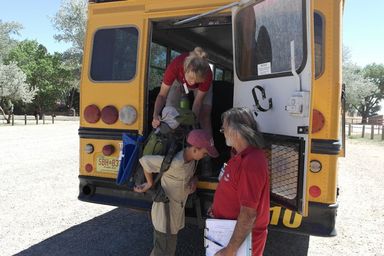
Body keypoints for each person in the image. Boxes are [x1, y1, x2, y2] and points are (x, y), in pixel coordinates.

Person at [134, 129, 219, 256]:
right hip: (165, 216)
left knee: (167, 250)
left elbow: (192, 174)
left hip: (175, 214)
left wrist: (194, 180)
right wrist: (149, 183)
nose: (205, 156)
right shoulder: (176, 163)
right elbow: (145, 161)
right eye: (205, 153)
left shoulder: (192, 160)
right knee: (163, 252)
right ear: (195, 149)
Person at [211, 107, 269, 256]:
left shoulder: (251, 162)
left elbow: (248, 213)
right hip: (228, 231)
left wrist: (230, 250)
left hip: (242, 242)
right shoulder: (239, 155)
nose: (223, 133)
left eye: (224, 129)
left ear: (236, 131)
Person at [152, 47, 213, 135]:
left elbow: (198, 102)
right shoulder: (175, 66)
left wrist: (193, 122)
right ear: (186, 69)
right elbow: (162, 95)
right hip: (179, 80)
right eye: (191, 78)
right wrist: (155, 115)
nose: (192, 83)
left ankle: (208, 143)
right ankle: (172, 141)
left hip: (200, 86)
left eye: (196, 80)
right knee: (170, 111)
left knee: (204, 115)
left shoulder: (207, 76)